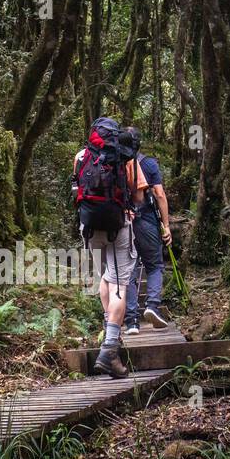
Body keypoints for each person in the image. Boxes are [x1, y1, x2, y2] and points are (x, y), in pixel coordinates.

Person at [71, 117, 147, 378]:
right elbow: (138, 196)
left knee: (105, 276)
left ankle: (110, 331)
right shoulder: (126, 158)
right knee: (118, 285)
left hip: (90, 227)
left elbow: (75, 188)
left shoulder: (81, 156)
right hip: (118, 227)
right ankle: (110, 349)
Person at [121, 127, 173, 334]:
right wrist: (166, 225)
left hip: (122, 222)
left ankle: (132, 321)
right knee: (154, 265)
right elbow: (159, 194)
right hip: (146, 221)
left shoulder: (115, 164)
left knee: (130, 271)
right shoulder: (148, 163)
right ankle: (152, 306)